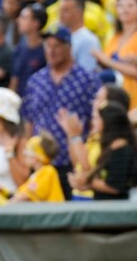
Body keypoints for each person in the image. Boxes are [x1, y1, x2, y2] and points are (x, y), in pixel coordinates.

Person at [22, 26, 101, 198]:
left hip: (73, 162)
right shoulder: (36, 80)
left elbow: (97, 119)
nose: (51, 51)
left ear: (69, 48)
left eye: (56, 46)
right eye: (47, 46)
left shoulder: (88, 79)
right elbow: (28, 120)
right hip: (40, 162)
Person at [70, 102, 137, 200]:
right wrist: (85, 184)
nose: (93, 122)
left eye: (97, 118)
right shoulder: (109, 147)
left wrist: (86, 181)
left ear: (108, 121)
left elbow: (115, 187)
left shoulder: (122, 150)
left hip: (115, 210)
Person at [94, 0, 137, 109]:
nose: (124, 9)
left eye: (130, 5)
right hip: (112, 98)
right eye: (120, 6)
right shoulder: (114, 37)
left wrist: (108, 61)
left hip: (132, 97)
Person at [12, 133, 65, 202]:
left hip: (53, 212)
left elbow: (27, 196)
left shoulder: (48, 171)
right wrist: (4, 192)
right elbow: (21, 191)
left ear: (37, 157)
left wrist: (6, 205)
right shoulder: (37, 174)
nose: (24, 155)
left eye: (28, 153)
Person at [11, 3, 47, 93]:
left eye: (24, 17)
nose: (18, 20)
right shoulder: (20, 45)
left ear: (36, 23)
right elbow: (15, 79)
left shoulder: (47, 51)